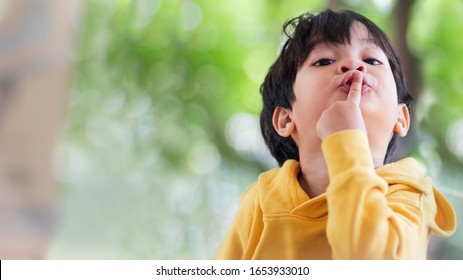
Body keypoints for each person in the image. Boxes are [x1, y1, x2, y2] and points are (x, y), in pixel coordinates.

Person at [214, 9, 456, 260]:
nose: (354, 65)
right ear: (286, 118)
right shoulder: (262, 199)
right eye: (324, 61)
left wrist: (346, 139)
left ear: (400, 117)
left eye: (372, 60)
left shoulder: (409, 193)